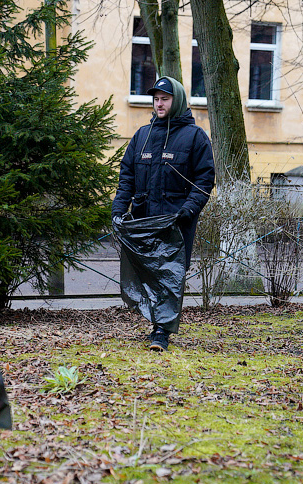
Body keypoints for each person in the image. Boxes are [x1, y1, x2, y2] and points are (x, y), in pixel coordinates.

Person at [112, 76, 215, 351]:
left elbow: (204, 180)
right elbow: (127, 178)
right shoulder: (142, 137)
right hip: (145, 218)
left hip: (176, 222)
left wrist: (188, 210)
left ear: (176, 100)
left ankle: (161, 332)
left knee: (170, 275)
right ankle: (155, 323)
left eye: (165, 99)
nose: (159, 103)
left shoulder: (195, 137)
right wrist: (118, 210)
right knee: (148, 272)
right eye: (156, 99)